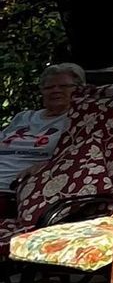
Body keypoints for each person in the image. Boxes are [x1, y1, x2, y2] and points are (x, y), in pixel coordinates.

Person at [0, 64, 84, 200]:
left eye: (63, 86)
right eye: (49, 87)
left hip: (14, 188)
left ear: (79, 89)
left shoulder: (78, 120)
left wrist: (49, 166)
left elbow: (78, 156)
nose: (55, 90)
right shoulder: (24, 117)